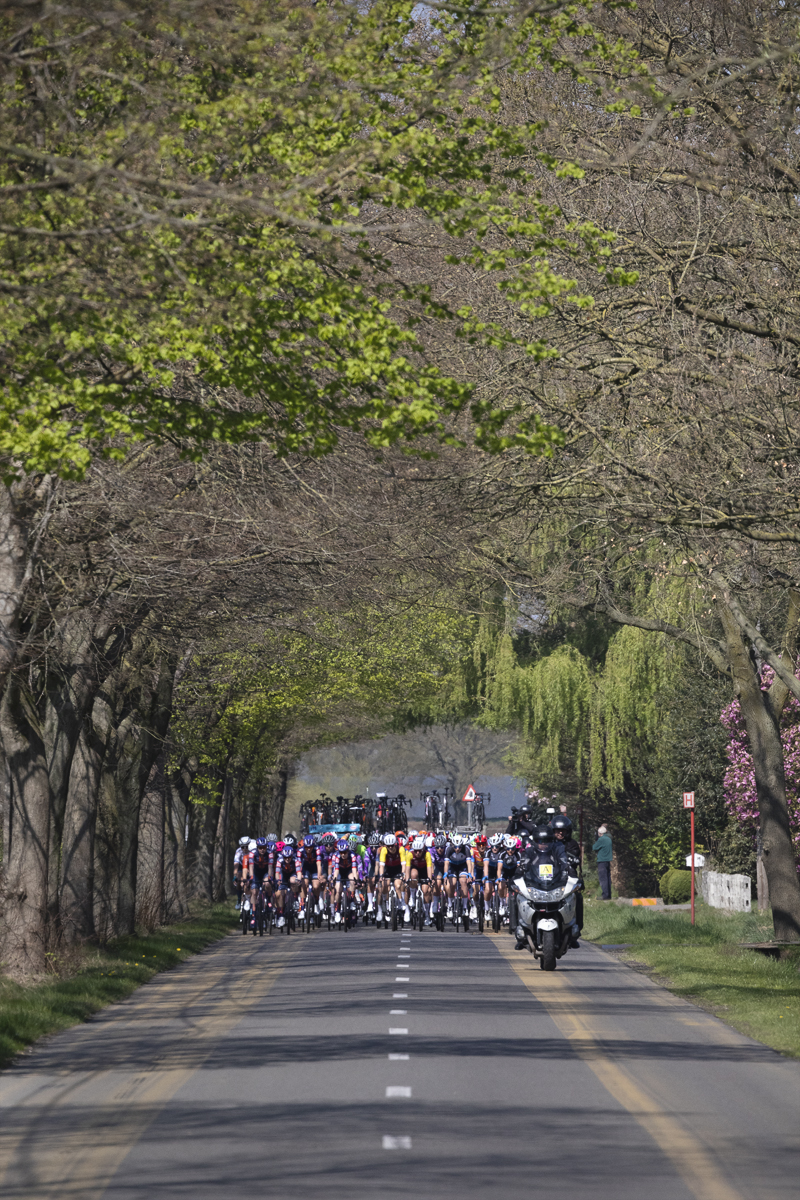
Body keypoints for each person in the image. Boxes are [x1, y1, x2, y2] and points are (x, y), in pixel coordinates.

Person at [593, 825, 613, 900]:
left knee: (603, 878)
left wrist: (597, 839)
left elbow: (594, 847)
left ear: (600, 833)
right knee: (607, 878)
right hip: (608, 860)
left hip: (601, 860)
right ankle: (608, 894)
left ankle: (605, 895)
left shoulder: (601, 839)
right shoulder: (609, 839)